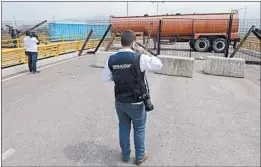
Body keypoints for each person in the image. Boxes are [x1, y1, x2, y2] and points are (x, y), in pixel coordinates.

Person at [103, 30, 163, 165]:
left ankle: (125, 155)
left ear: (121, 42)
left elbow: (105, 78)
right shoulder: (139, 57)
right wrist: (143, 51)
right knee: (139, 128)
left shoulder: (111, 59)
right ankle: (139, 156)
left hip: (120, 100)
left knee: (123, 127)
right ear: (133, 43)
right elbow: (159, 64)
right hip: (137, 102)